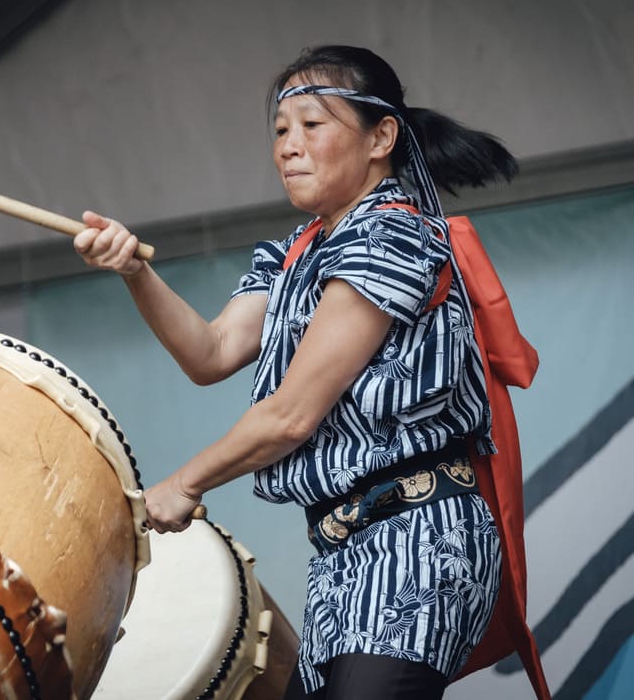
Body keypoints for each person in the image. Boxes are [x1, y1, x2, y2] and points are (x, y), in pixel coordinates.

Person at [74, 45, 517, 699]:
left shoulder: (394, 237)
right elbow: (213, 352)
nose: (289, 146)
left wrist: (184, 484)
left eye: (313, 125)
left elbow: (290, 414)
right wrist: (135, 271)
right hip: (344, 554)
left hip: (417, 538)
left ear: (381, 137)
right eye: (281, 130)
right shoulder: (295, 252)